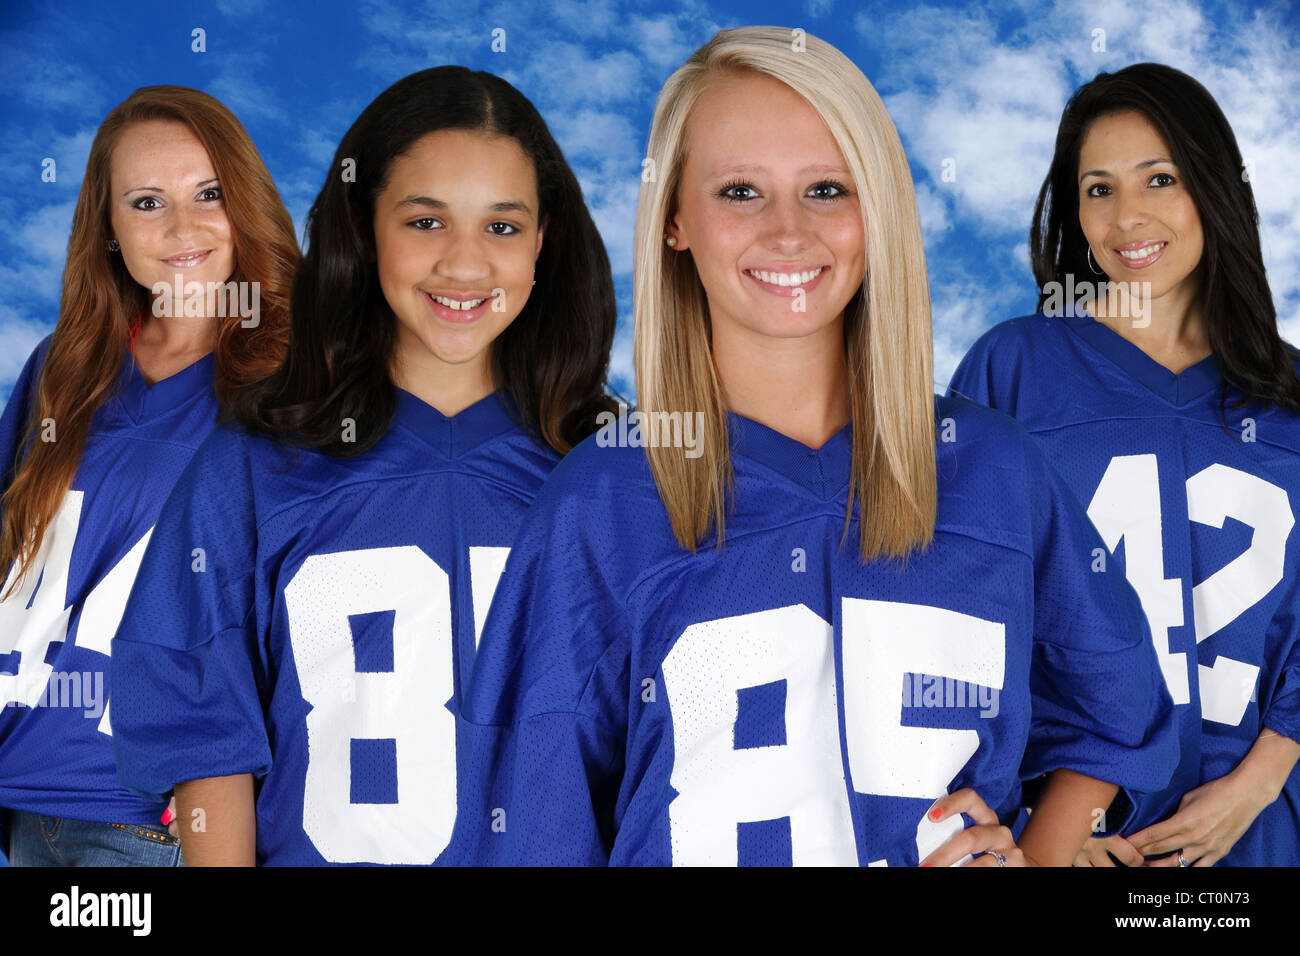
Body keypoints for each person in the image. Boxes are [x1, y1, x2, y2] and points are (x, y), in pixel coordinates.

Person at [456, 26, 1178, 867]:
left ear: (877, 210)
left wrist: (1039, 857)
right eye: (739, 192)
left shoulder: (995, 470)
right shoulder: (600, 503)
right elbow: (535, 830)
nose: (789, 232)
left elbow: (1117, 722)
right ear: (674, 221)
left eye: (828, 189)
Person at [109, 66, 618, 865]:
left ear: (545, 241)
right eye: (424, 221)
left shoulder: (610, 474)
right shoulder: (251, 466)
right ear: (363, 225)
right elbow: (200, 730)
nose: (464, 264)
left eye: (503, 227)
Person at [950, 62, 1300, 868]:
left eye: (1159, 178)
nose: (1127, 215)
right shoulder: (1015, 367)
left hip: (1247, 838)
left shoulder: (1287, 396)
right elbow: (961, 608)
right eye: (1098, 188)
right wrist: (1049, 827)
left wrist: (1254, 784)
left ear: (1214, 186)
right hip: (1062, 837)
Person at [0, 86, 298, 866]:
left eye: (209, 194)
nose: (182, 228)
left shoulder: (302, 376)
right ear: (108, 230)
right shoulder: (64, 369)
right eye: (145, 202)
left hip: (153, 825)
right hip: (23, 808)